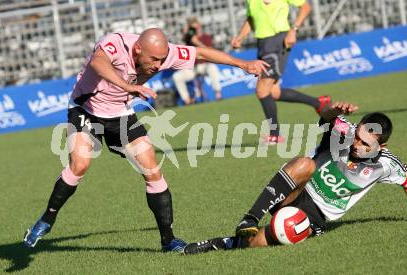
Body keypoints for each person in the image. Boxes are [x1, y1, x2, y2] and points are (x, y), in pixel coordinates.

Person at [23, 28, 269, 252]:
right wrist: (126, 86)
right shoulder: (116, 44)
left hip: (120, 115)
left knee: (152, 171)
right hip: (85, 110)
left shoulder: (163, 53)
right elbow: (98, 62)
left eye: (162, 60)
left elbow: (200, 53)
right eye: (154, 60)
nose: (158, 65)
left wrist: (242, 64)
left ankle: (168, 240)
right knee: (80, 164)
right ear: (138, 49)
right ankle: (47, 218)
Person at [183, 101, 407, 254]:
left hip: (315, 217)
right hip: (297, 189)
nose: (356, 143)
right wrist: (333, 110)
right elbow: (325, 115)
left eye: (365, 142)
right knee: (306, 163)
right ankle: (249, 218)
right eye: (357, 135)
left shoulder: (387, 164)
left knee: (266, 239)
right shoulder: (343, 130)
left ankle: (220, 243)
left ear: (382, 144)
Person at [231, 0, 331, 144]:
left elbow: (306, 7)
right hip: (263, 45)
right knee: (274, 92)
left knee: (262, 90)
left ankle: (275, 135)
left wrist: (293, 30)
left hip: (279, 41)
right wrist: (241, 36)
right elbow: (251, 18)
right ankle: (318, 103)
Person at [172, 17, 222, 104]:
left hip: (204, 65)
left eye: (195, 27)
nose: (194, 30)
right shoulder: (188, 39)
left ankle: (218, 94)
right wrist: (185, 36)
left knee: (213, 68)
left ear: (199, 26)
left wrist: (197, 43)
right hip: (192, 67)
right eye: (192, 28)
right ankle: (187, 100)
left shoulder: (206, 37)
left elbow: (211, 52)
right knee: (177, 76)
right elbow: (180, 51)